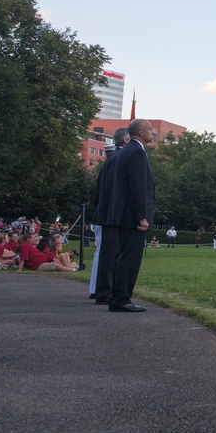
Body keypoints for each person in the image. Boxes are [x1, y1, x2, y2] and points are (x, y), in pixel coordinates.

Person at [104, 118, 156, 312]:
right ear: (141, 132)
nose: (153, 133)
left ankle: (118, 297)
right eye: (150, 129)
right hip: (131, 216)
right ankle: (122, 299)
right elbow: (138, 186)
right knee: (130, 258)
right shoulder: (136, 152)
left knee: (123, 256)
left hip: (122, 213)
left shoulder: (126, 150)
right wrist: (142, 215)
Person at [92, 128, 130, 302]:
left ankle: (102, 290)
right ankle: (105, 291)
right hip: (111, 215)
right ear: (125, 141)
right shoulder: (118, 159)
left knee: (106, 253)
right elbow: (114, 191)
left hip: (107, 213)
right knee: (109, 254)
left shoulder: (113, 159)